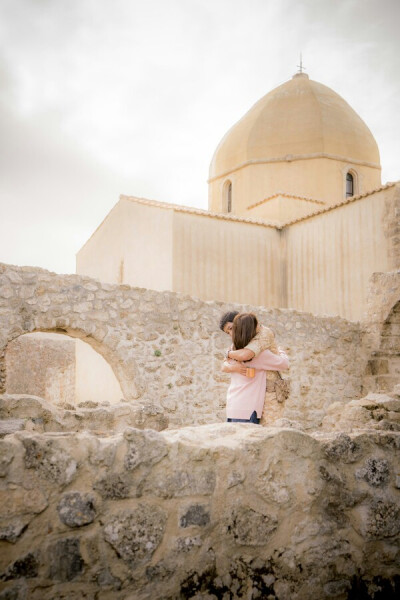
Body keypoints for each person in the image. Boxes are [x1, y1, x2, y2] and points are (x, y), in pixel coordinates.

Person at [221, 313, 289, 424]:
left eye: (231, 329)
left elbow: (224, 365)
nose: (230, 334)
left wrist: (228, 354)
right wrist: (280, 351)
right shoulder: (258, 355)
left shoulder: (233, 351)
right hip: (248, 409)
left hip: (233, 407)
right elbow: (284, 363)